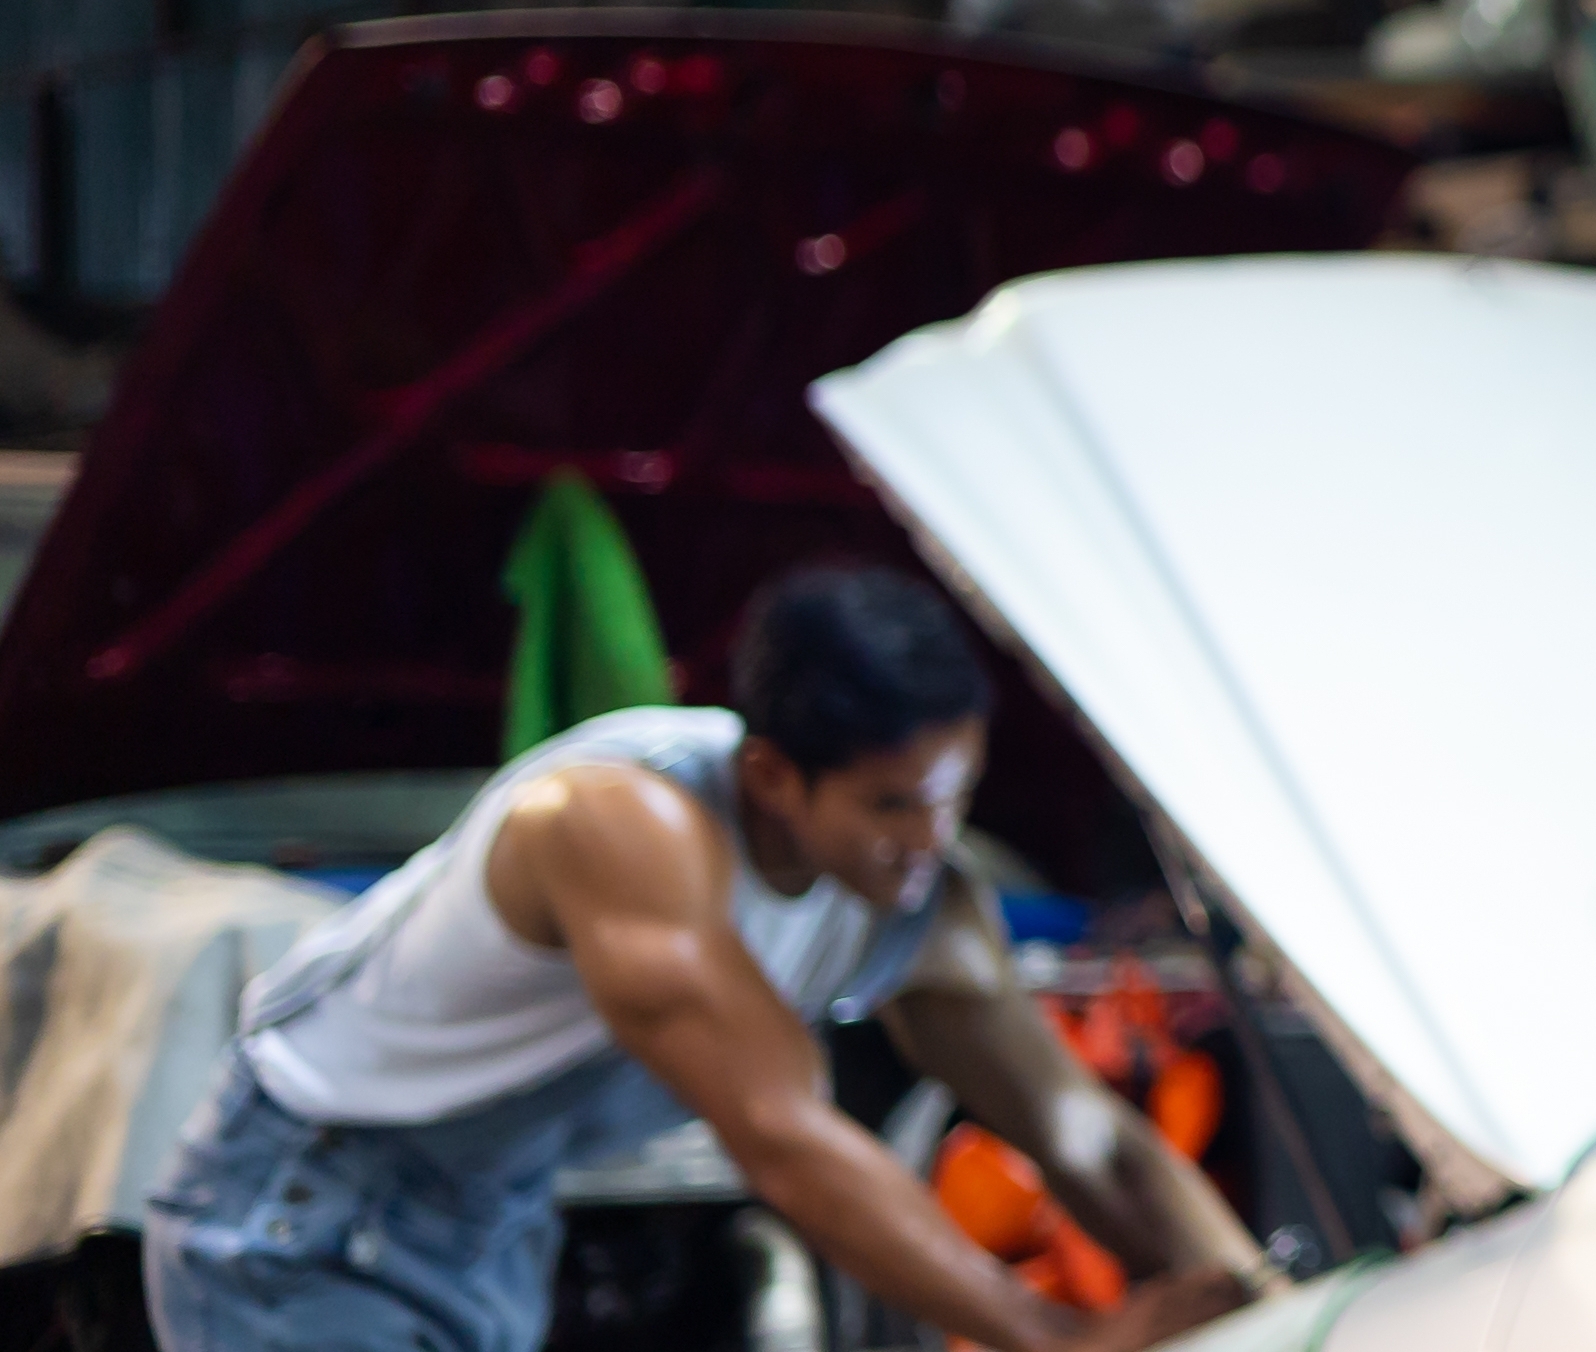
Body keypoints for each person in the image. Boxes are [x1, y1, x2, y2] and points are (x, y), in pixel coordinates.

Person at [144, 566, 1268, 1352]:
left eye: (950, 798)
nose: (928, 840)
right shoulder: (619, 823)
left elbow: (1087, 1137)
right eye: (888, 804)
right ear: (777, 775)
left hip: (490, 1218)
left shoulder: (924, 899)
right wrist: (1060, 1335)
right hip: (306, 1209)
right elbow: (784, 1138)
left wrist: (1268, 1308)